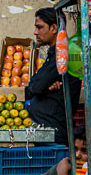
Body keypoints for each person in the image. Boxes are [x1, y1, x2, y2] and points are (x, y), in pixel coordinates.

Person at [26, 8, 81, 146]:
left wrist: (40, 88)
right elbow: (33, 86)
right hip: (46, 133)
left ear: (54, 28)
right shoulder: (53, 56)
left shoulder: (61, 56)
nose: (35, 32)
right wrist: (44, 88)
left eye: (39, 27)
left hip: (54, 135)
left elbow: (36, 86)